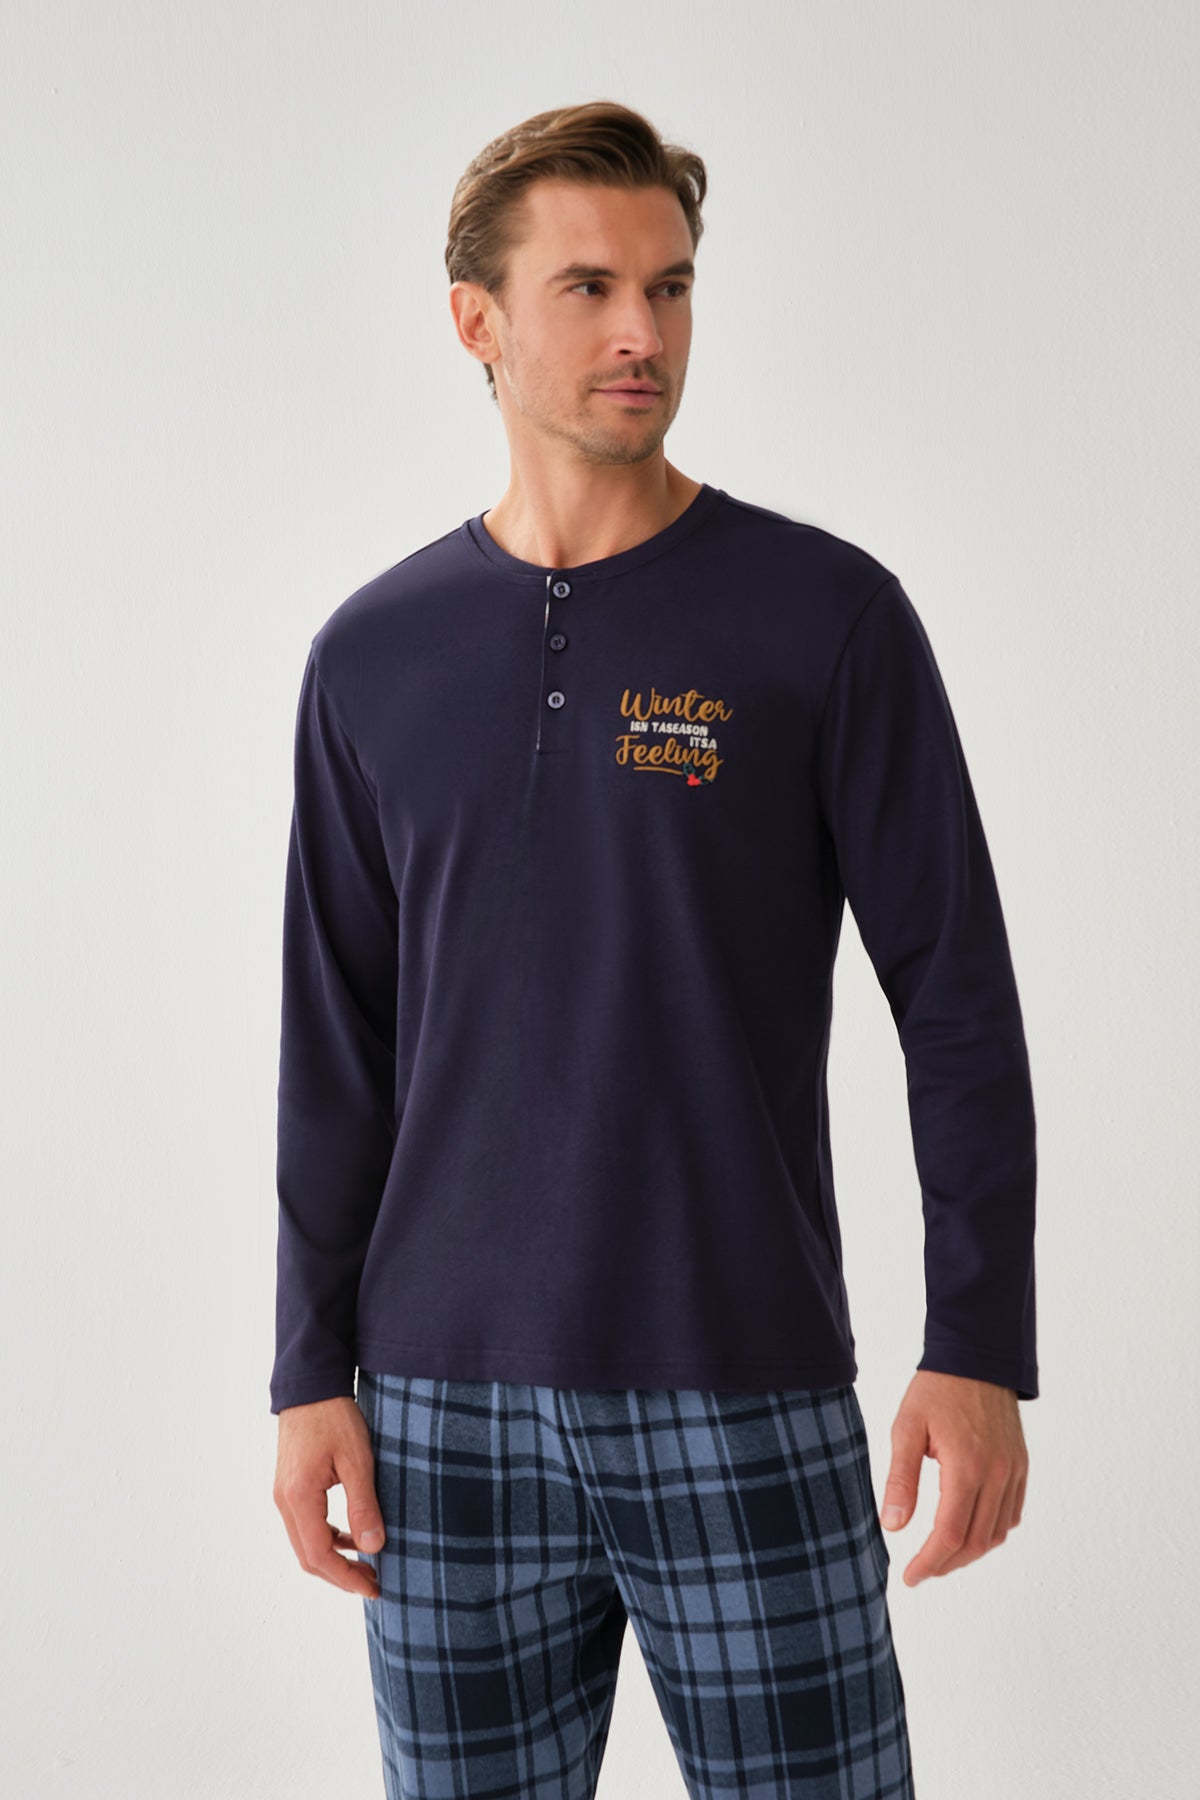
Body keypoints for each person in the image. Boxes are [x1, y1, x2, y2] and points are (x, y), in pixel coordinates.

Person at [270, 99, 1037, 1799]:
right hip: (437, 1415)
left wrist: (979, 1340)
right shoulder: (372, 656)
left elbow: (958, 1002)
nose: (645, 332)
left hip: (739, 1378)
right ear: (476, 320)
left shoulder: (824, 618)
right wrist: (307, 1370)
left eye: (672, 288)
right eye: (592, 288)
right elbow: (337, 1044)